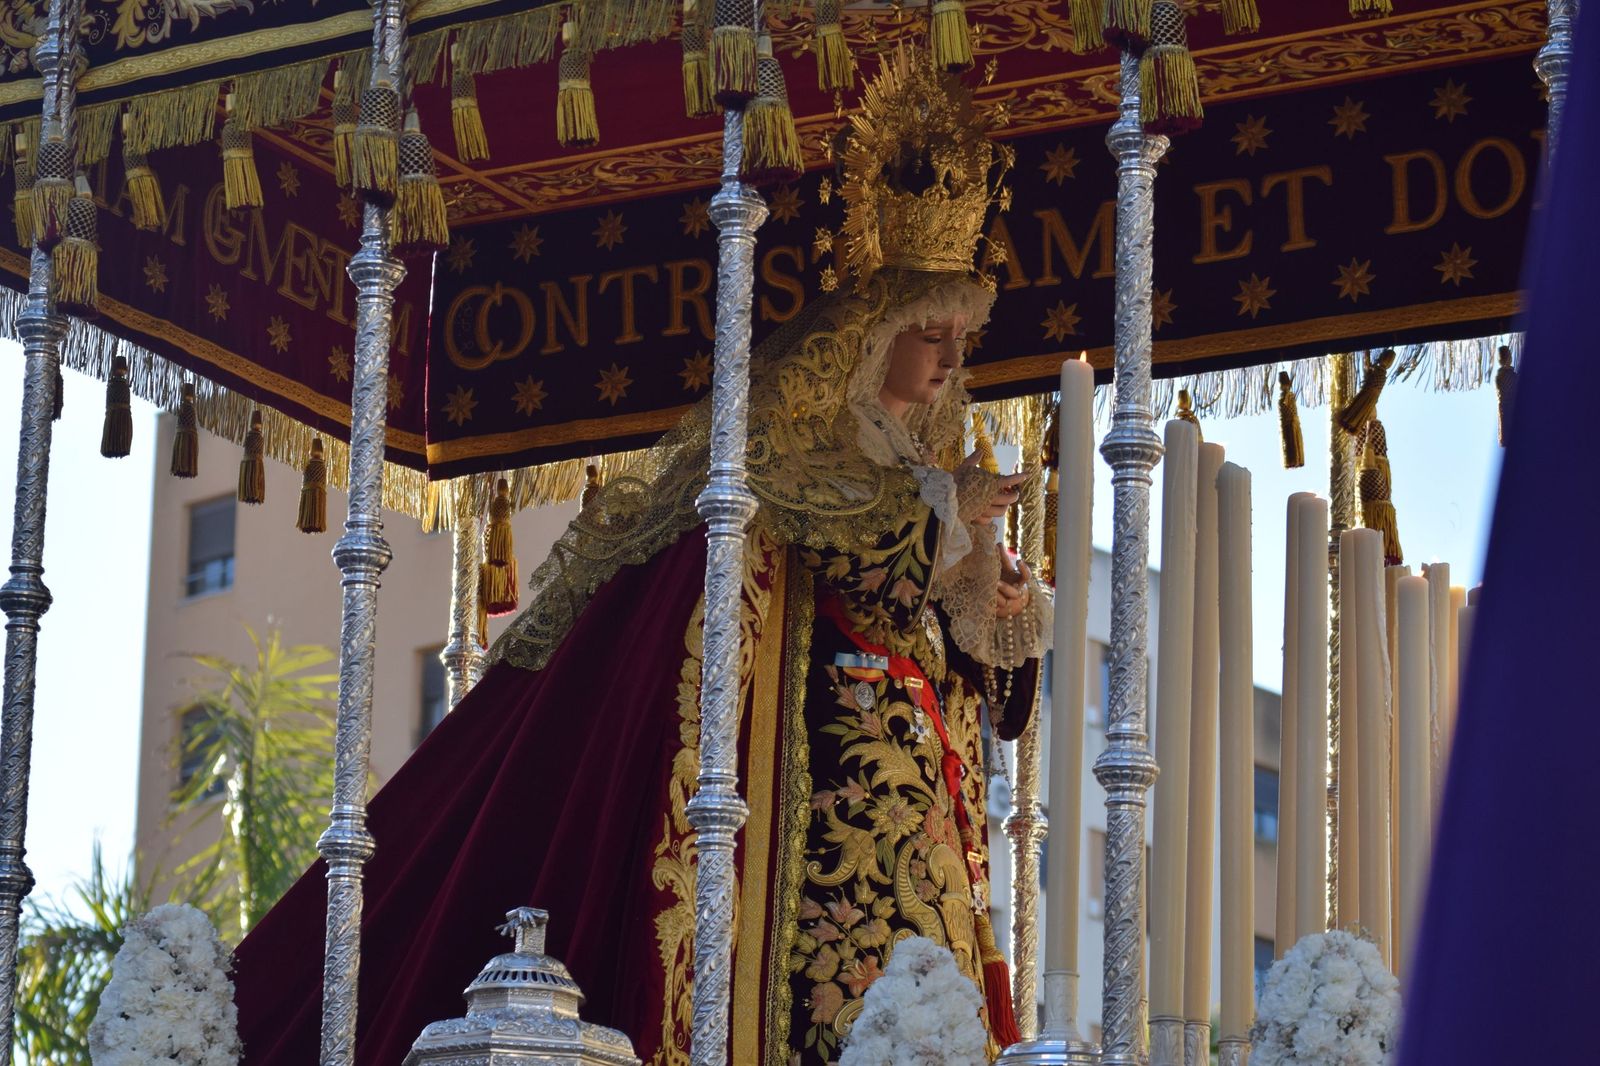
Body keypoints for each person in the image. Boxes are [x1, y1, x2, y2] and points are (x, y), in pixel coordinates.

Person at [231, 48, 1051, 1065]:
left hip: (911, 794)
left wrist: (995, 596)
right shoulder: (802, 449)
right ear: (870, 334)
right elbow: (833, 555)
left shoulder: (925, 468)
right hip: (817, 789)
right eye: (930, 333)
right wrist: (941, 523)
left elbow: (947, 646)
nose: (948, 360)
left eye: (958, 341)